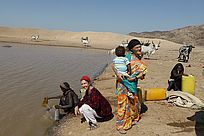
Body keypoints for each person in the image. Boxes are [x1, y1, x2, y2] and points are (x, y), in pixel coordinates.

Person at [112, 39, 147, 134]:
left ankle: (131, 119)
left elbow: (142, 74)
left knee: (132, 103)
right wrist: (117, 74)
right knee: (122, 104)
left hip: (132, 84)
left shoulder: (139, 58)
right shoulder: (126, 57)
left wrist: (135, 78)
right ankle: (120, 125)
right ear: (132, 49)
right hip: (122, 84)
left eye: (140, 46)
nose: (139, 48)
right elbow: (114, 66)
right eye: (137, 47)